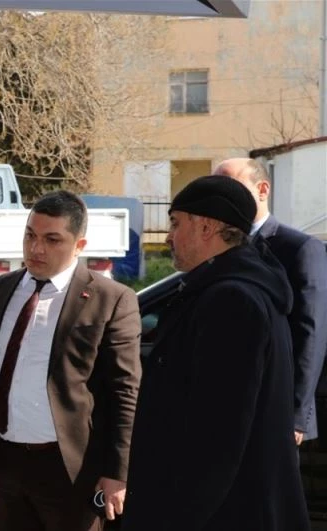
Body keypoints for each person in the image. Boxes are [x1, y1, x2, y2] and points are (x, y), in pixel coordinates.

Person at [122, 175, 309, 531]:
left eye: (175, 223)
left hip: (223, 514)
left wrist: (178, 517)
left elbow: (217, 436)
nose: (168, 236)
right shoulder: (229, 291)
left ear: (206, 227)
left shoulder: (231, 300)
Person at [0, 190, 142, 531]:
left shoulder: (111, 299)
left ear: (79, 245)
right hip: (6, 460)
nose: (36, 249)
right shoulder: (5, 287)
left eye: (52, 240)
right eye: (30, 235)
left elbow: (124, 392)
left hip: (70, 468)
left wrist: (117, 472)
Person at [216, 157, 327, 446]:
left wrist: (295, 415)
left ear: (262, 190)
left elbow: (310, 334)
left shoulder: (299, 248)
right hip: (225, 408)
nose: (222, 197)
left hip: (275, 410)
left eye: (231, 187)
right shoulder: (215, 248)